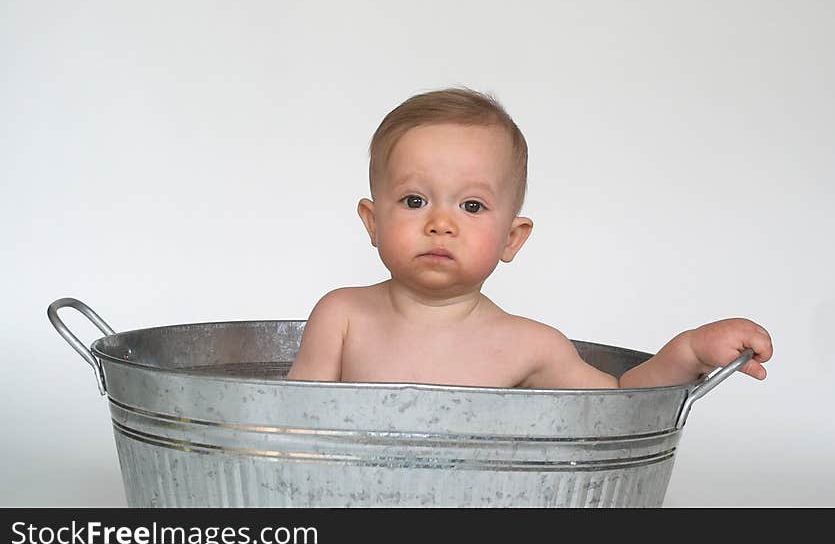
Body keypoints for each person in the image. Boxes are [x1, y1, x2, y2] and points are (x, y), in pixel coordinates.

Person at [286, 88, 772, 388]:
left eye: (471, 207)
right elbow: (287, 431)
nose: (440, 223)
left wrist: (687, 353)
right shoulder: (341, 317)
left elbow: (621, 405)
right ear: (372, 223)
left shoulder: (527, 347)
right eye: (415, 201)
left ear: (511, 239)